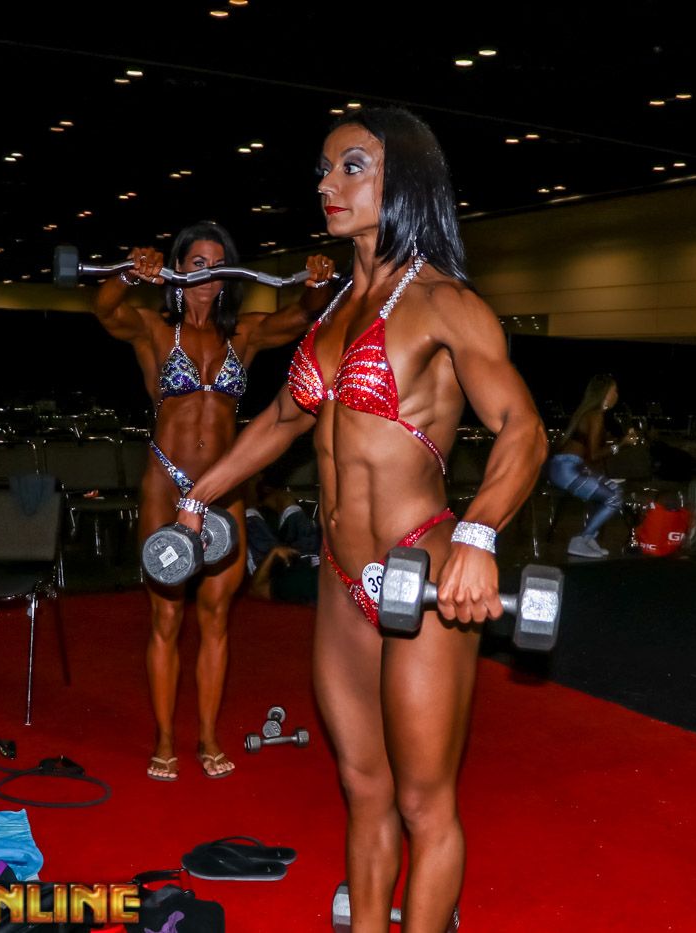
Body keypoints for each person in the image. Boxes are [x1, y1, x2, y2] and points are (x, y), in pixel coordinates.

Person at [172, 108, 546, 931]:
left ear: (403, 178)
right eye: (323, 168)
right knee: (364, 787)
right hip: (342, 578)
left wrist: (478, 535)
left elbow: (524, 429)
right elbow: (282, 418)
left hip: (421, 570)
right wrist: (199, 496)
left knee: (422, 802)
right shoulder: (338, 306)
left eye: (351, 166)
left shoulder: (446, 303)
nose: (327, 184)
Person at [92, 222, 335, 780]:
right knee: (166, 616)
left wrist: (318, 282)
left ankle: (207, 736)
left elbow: (303, 315)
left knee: (218, 617)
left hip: (224, 490)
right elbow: (106, 310)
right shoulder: (154, 329)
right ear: (178, 270)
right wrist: (129, 273)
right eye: (196, 263)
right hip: (166, 484)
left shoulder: (242, 335)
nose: (207, 274)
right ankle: (164, 739)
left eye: (218, 264)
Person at [546, 374, 629, 558]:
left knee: (615, 490)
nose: (617, 395)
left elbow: (588, 456)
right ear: (605, 393)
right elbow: (593, 455)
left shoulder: (589, 413)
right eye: (615, 390)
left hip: (566, 467)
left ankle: (589, 538)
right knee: (614, 498)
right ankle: (581, 540)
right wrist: (622, 444)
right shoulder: (596, 415)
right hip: (567, 469)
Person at [242, 474, 320, 604]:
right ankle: (260, 493)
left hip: (280, 566)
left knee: (249, 513)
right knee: (285, 499)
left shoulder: (309, 584)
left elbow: (256, 589)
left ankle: (246, 486)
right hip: (314, 550)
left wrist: (273, 554)